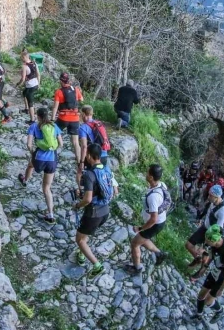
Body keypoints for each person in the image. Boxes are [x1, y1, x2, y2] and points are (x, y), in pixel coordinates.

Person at [72, 143, 117, 278]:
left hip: (93, 213)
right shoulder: (106, 168)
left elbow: (88, 199)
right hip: (105, 212)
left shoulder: (89, 174)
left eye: (87, 154)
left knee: (79, 239)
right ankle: (82, 253)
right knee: (85, 234)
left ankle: (97, 265)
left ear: (90, 156)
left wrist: (78, 205)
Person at [17, 107, 64, 224]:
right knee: (47, 188)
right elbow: (61, 143)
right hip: (52, 159)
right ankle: (51, 214)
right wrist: (53, 150)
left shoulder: (34, 126)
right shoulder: (54, 126)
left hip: (38, 157)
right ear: (47, 115)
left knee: (30, 166)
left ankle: (25, 180)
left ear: (37, 116)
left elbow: (29, 144)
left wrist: (33, 152)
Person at [124, 164, 170, 274]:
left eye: (147, 173)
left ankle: (137, 268)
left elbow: (153, 219)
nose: (146, 174)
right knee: (143, 239)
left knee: (135, 243)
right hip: (160, 221)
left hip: (155, 224)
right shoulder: (161, 185)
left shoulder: (154, 197)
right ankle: (159, 254)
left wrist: (140, 228)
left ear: (151, 177)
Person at [189, 225, 224, 324]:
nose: (206, 242)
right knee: (201, 294)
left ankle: (220, 311)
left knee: (208, 301)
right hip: (216, 270)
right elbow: (211, 255)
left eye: (208, 241)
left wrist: (221, 289)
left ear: (215, 241)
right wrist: (204, 268)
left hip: (223, 275)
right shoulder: (213, 244)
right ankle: (198, 315)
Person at [186, 185, 224, 267]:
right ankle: (197, 259)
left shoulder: (223, 209)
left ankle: (199, 272)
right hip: (204, 227)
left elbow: (218, 228)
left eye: (211, 196)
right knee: (188, 245)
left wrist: (207, 244)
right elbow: (207, 212)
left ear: (217, 197)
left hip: (211, 233)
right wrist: (200, 219)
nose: (209, 197)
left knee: (205, 254)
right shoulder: (213, 202)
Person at [52, 72, 83, 171]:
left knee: (54, 132)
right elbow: (81, 99)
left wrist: (52, 119)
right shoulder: (76, 89)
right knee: (75, 143)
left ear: (61, 81)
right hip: (75, 118)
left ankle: (54, 155)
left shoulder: (59, 92)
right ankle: (79, 163)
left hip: (63, 118)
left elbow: (55, 107)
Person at [77, 105, 110, 186]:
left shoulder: (83, 128)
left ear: (84, 114)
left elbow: (84, 146)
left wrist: (81, 162)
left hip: (92, 157)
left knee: (80, 172)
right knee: (100, 177)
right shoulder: (98, 124)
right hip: (104, 156)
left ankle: (81, 192)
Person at [15, 50, 40, 124]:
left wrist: (18, 84)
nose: (21, 59)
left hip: (30, 86)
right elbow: (38, 74)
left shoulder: (24, 66)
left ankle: (32, 120)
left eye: (21, 58)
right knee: (24, 93)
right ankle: (26, 109)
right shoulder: (34, 63)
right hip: (35, 83)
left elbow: (23, 79)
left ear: (24, 57)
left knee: (30, 103)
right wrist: (39, 84)